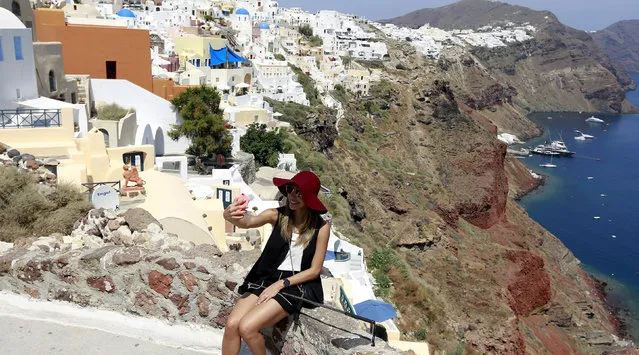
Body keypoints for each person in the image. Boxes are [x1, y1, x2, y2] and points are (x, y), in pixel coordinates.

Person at [221, 170, 330, 355]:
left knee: (247, 328)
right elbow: (248, 222)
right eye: (290, 190)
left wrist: (281, 284)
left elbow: (315, 270)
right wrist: (229, 215)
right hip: (266, 277)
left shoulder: (321, 227)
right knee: (232, 325)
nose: (292, 196)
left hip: (294, 284)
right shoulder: (277, 215)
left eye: (299, 192)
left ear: (310, 197)